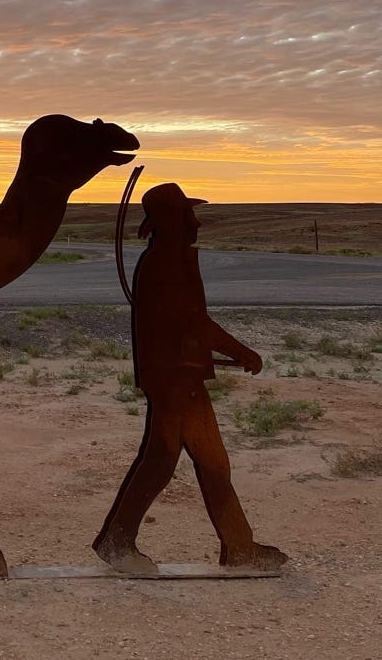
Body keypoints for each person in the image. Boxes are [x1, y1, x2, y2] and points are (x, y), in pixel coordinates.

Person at [93, 182, 287, 573]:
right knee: (166, 462)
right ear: (173, 220)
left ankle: (240, 548)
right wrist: (242, 352)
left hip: (180, 378)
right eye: (187, 214)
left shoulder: (167, 259)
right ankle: (119, 542)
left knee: (206, 463)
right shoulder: (168, 263)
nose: (196, 222)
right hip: (175, 382)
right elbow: (195, 323)